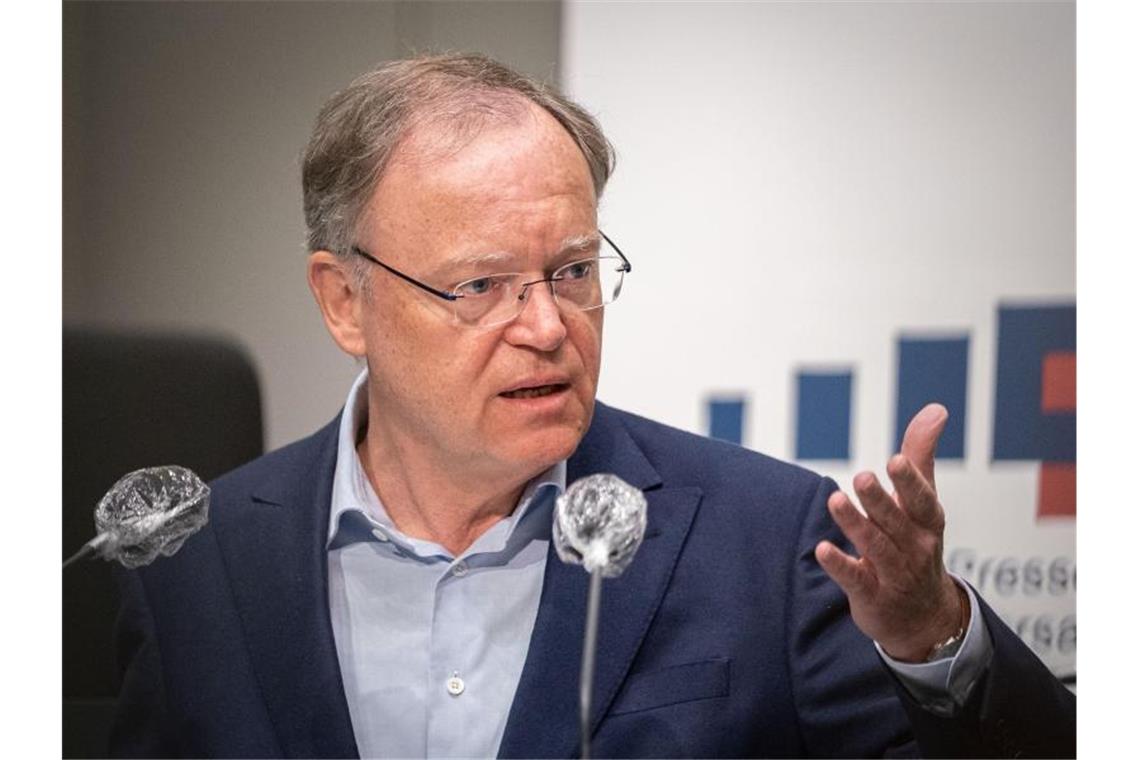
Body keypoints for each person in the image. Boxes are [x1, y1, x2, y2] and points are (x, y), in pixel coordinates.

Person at [110, 54, 1075, 758]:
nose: (546, 325)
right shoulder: (199, 563)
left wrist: (931, 637)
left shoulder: (765, 541)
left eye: (572, 270)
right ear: (343, 300)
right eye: (481, 284)